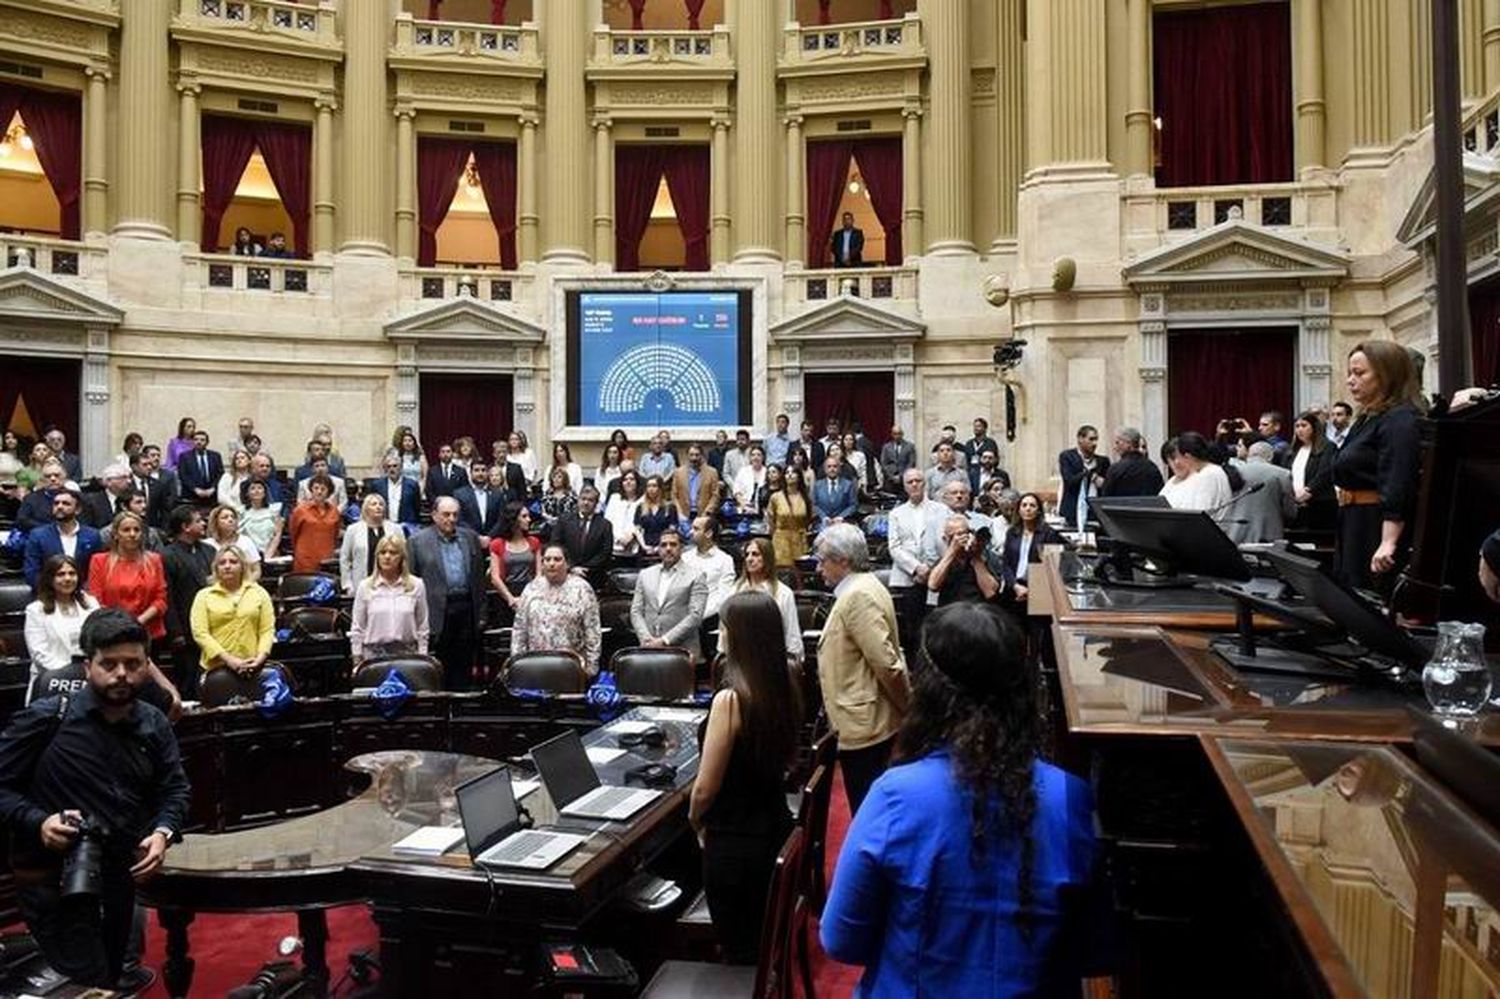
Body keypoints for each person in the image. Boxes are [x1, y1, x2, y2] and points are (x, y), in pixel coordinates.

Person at [821, 603, 1098, 997]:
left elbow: (842, 939)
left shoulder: (895, 795)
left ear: (929, 691)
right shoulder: (1072, 797)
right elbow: (1095, 951)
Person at [0, 609, 189, 991]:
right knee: (85, 976)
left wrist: (163, 832)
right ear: (88, 666)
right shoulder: (48, 717)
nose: (121, 673)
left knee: (110, 975)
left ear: (145, 665)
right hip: (56, 880)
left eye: (133, 663)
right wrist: (38, 821)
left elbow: (175, 789)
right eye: (109, 663)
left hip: (121, 875)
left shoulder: (154, 723)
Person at [690, 590, 803, 965]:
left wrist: (695, 820)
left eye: (723, 627)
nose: (719, 634)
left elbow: (705, 788)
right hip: (773, 829)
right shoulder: (786, 682)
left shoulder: (731, 699)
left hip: (735, 847)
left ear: (739, 635)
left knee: (740, 952)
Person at [814, 524, 909, 814]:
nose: (818, 569)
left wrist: (908, 708)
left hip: (865, 724)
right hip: (865, 718)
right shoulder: (865, 586)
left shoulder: (858, 595)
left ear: (843, 560)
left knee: (868, 812)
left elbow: (887, 664)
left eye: (822, 560)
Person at [1332, 341, 1423, 591]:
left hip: (1375, 525)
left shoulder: (1400, 419)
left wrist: (1388, 541)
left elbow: (1398, 480)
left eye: (1360, 373)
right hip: (1354, 520)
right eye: (1350, 373)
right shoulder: (1369, 418)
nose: (1351, 380)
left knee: (1368, 598)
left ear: (1387, 375)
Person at [407, 497, 488, 690]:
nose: (451, 519)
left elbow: (479, 581)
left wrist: (482, 614)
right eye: (446, 514)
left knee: (465, 663)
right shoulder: (417, 541)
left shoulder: (469, 537)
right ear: (434, 515)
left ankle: (462, 707)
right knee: (439, 666)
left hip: (466, 608)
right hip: (435, 609)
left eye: (455, 515)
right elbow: (410, 581)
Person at [511, 544, 602, 674]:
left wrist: (591, 667)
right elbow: (520, 629)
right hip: (535, 665)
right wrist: (517, 662)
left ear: (567, 564)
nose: (551, 564)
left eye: (557, 559)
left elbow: (593, 631)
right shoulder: (531, 589)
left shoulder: (583, 589)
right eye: (547, 560)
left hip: (571, 666)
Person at [22, 556, 99, 700]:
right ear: (50, 578)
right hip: (52, 682)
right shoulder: (36, 610)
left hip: (89, 679)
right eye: (61, 574)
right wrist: (72, 673)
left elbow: (99, 640)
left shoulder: (91, 603)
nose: (68, 578)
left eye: (72, 573)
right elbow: (39, 654)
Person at [87, 511, 167, 648]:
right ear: (116, 534)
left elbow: (160, 599)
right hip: (110, 632)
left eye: (137, 530)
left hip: (147, 632)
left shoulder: (154, 560)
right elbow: (96, 599)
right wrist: (121, 625)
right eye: (126, 530)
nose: (132, 534)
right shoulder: (99, 561)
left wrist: (138, 622)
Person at [190, 546, 275, 675]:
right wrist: (229, 660)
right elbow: (200, 633)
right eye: (222, 563)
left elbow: (267, 630)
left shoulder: (259, 593)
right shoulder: (203, 596)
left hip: (252, 664)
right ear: (216, 568)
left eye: (233, 562)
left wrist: (261, 657)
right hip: (215, 668)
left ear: (242, 566)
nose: (227, 566)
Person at [718, 538, 802, 664]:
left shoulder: (783, 593)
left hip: (772, 660)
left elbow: (792, 636)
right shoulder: (734, 591)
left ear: (767, 558)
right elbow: (724, 632)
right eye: (747, 555)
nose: (749, 559)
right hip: (738, 662)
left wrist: (793, 666)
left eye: (755, 554)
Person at [630, 528, 708, 660]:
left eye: (673, 544)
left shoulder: (696, 576)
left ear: (681, 548)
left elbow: (695, 616)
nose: (668, 548)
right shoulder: (645, 575)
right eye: (663, 545)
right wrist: (646, 639)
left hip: (682, 651)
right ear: (658, 549)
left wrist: (664, 641)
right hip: (648, 648)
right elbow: (636, 611)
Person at [160, 506, 214, 696]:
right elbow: (168, 597)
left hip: (213, 624)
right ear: (185, 526)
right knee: (188, 680)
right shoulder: (167, 555)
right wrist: (176, 633)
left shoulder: (209, 550)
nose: (203, 523)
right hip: (185, 628)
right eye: (198, 521)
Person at [348, 535, 429, 661]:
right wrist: (357, 660)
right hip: (373, 656)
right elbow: (358, 628)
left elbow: (422, 626)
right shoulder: (365, 587)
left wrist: (423, 657)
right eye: (383, 552)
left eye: (393, 553)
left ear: (402, 557)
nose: (387, 557)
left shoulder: (416, 585)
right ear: (377, 557)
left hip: (407, 655)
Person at [23, 487, 104, 591]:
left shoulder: (92, 535)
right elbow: (31, 571)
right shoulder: (38, 535)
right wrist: (53, 592)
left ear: (78, 510)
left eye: (66, 503)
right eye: (56, 503)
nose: (60, 507)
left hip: (82, 595)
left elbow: (96, 570)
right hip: (48, 595)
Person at [1225, 442, 1297, 544]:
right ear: (1270, 456)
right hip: (1269, 534)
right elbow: (1290, 511)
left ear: (1249, 455)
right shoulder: (1283, 474)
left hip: (1235, 532)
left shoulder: (1232, 472)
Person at [927, 515, 1001, 606]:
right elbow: (933, 586)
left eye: (962, 534)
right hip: (949, 612)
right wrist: (952, 552)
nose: (958, 540)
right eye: (952, 537)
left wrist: (975, 556)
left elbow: (990, 592)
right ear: (945, 539)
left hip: (978, 611)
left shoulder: (986, 556)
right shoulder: (943, 559)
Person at [1286, 411, 1337, 531]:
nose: (1299, 430)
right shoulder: (1291, 451)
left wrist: (1309, 490)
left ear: (1314, 427)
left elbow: (1325, 472)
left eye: (1304, 425)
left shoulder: (1328, 447)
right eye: (1297, 426)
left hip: (1320, 505)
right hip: (1296, 506)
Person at [1159, 432, 1233, 514]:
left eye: (1179, 456)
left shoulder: (1210, 474)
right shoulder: (1174, 480)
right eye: (1172, 459)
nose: (1177, 462)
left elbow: (1199, 512)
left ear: (1188, 456)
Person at [488, 501, 541, 614]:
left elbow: (539, 574)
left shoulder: (534, 542)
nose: (529, 520)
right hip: (506, 592)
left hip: (530, 591)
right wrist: (510, 598)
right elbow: (495, 577)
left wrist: (530, 595)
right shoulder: (497, 544)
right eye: (524, 516)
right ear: (513, 519)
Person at [682, 514, 737, 622]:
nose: (690, 532)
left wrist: (696, 617)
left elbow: (723, 597)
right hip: (682, 618)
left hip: (710, 619)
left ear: (708, 533)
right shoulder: (684, 558)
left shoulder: (725, 560)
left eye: (696, 529)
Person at [1058, 425, 1108, 532]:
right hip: (1073, 512)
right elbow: (1069, 481)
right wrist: (1090, 475)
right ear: (1080, 439)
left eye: (1096, 439)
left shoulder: (1103, 461)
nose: (1095, 443)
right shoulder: (1068, 457)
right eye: (1091, 439)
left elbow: (1106, 486)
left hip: (1094, 513)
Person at [554, 485, 613, 577]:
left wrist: (585, 568)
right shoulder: (564, 520)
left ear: (596, 503)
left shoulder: (605, 525)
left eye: (590, 500)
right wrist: (572, 567)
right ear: (578, 500)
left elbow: (605, 552)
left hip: (593, 574)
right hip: (566, 572)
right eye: (583, 499)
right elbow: (556, 544)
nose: (586, 503)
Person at [288, 475, 341, 573]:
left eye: (323, 489)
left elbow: (335, 535)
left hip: (327, 558)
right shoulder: (300, 510)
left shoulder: (334, 511)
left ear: (329, 492)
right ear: (311, 490)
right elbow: (293, 533)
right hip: (305, 559)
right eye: (316, 488)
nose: (319, 492)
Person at [339, 494, 390, 594]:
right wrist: (347, 584)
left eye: (381, 504)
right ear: (366, 508)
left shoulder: (395, 529)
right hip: (361, 584)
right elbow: (345, 559)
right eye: (374, 504)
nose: (378, 507)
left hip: (388, 583)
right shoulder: (353, 530)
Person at [1100, 426, 1165, 498]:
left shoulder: (1116, 469)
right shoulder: (1152, 467)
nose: (1115, 447)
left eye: (1117, 442)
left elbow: (1105, 498)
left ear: (1128, 444)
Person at [767, 465, 811, 567]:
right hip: (781, 541)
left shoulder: (805, 497)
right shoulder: (776, 497)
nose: (790, 475)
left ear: (799, 476)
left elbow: (808, 519)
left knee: (799, 574)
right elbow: (771, 520)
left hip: (799, 540)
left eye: (793, 472)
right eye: (787, 473)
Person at [366, 451, 420, 527]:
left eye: (395, 466)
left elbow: (416, 506)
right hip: (384, 524)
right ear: (385, 469)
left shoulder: (412, 484)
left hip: (406, 526)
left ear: (401, 467)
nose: (392, 469)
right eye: (388, 466)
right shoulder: (377, 485)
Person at [670, 444, 721, 524]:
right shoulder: (678, 472)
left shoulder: (712, 472)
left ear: (702, 456)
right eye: (691, 455)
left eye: (697, 455)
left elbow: (715, 495)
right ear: (687, 456)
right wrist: (679, 512)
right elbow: (674, 495)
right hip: (684, 515)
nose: (694, 458)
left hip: (704, 514)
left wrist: (707, 512)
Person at [16, 458, 67, 533]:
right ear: (42, 480)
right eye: (48, 476)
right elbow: (21, 520)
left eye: (57, 475)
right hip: (40, 537)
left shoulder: (75, 497)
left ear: (64, 478)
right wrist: (49, 529)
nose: (53, 479)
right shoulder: (30, 498)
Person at [176, 431, 224, 508]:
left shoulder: (215, 456)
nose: (199, 442)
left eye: (202, 440)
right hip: (191, 497)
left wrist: (213, 488)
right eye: (196, 439)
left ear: (207, 442)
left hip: (212, 497)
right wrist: (195, 489)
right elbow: (183, 475)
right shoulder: (185, 456)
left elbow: (220, 474)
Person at [238, 479, 284, 558]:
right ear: (247, 493)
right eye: (252, 488)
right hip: (247, 555)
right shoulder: (241, 512)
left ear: (265, 492)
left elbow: (277, 534)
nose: (257, 491)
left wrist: (268, 554)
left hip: (270, 553)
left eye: (259, 488)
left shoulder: (274, 510)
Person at [82, 463, 135, 530]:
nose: (129, 481)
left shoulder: (129, 500)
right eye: (123, 477)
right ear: (108, 481)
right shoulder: (92, 501)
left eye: (130, 477)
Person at [634, 475, 678, 554]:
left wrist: (659, 546)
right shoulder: (641, 507)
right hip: (645, 546)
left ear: (660, 488)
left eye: (654, 486)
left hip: (664, 547)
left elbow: (672, 529)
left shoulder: (670, 507)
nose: (651, 489)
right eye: (648, 486)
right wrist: (644, 546)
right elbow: (637, 529)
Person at [604, 470, 644, 555]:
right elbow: (607, 521)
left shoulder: (643, 500)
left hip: (634, 546)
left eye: (632, 479)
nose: (628, 482)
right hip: (614, 545)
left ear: (637, 483)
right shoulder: (614, 498)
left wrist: (631, 536)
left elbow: (641, 523)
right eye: (625, 480)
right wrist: (618, 538)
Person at [814, 455, 858, 524]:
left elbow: (853, 505)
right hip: (822, 523)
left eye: (835, 466)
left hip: (843, 522)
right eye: (829, 466)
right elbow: (814, 505)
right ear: (825, 469)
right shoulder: (817, 485)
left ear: (839, 468)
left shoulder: (848, 484)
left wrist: (842, 516)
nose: (832, 469)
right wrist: (823, 517)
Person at [878, 425, 916, 493]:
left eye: (899, 434)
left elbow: (911, 463)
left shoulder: (909, 446)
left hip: (904, 480)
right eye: (895, 434)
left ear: (902, 434)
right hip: (890, 480)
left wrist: (901, 476)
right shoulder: (886, 447)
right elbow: (883, 463)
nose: (897, 436)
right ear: (892, 434)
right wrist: (891, 476)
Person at [731, 445, 768, 514]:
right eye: (753, 455)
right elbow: (736, 490)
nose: (755, 457)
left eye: (759, 455)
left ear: (763, 457)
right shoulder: (743, 471)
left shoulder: (767, 472)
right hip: (744, 508)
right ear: (750, 458)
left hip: (763, 510)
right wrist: (743, 504)